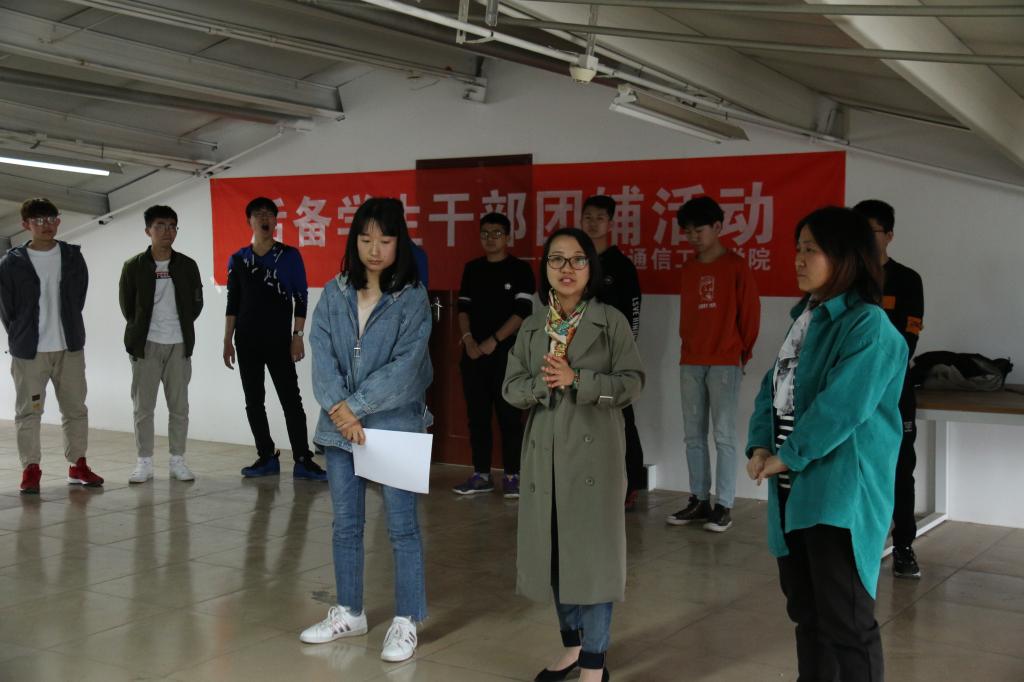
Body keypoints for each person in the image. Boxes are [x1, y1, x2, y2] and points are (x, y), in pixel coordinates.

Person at [745, 206, 906, 681]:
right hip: (793, 488)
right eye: (798, 248)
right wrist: (760, 445)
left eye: (811, 249)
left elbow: (841, 408)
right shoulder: (807, 317)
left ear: (845, 256)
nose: (798, 259)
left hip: (838, 495)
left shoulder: (868, 325)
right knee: (808, 615)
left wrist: (787, 456)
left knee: (847, 623)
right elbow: (772, 388)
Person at [503, 228, 644, 682]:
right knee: (556, 556)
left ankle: (594, 665)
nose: (567, 269)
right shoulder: (532, 325)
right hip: (545, 457)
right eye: (557, 259)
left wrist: (578, 379)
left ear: (591, 268)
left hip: (594, 457)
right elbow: (511, 387)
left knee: (594, 561)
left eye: (577, 259)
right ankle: (573, 647)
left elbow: (632, 382)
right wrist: (541, 385)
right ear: (544, 267)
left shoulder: (610, 321)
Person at [302, 197, 432, 663]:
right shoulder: (334, 293)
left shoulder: (412, 297)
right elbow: (321, 355)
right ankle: (349, 611)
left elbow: (407, 367)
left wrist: (352, 408)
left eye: (385, 240)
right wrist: (341, 411)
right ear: (354, 242)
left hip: (395, 425)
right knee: (345, 524)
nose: (375, 250)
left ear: (400, 243)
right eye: (365, 239)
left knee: (402, 527)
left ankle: (406, 620)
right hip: (340, 429)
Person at [667, 196, 760, 532]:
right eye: (688, 231)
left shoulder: (735, 266)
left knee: (723, 435)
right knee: (693, 435)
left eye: (699, 230)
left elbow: (750, 314)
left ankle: (724, 504)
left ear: (718, 227)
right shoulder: (689, 268)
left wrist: (741, 354)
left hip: (724, 361)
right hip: (691, 360)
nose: (693, 237)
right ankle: (698, 499)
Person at [0, 198, 101, 493]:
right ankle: (31, 469)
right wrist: (20, 335)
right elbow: (7, 309)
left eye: (51, 219)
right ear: (25, 225)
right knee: (28, 412)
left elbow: (78, 297)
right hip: (30, 351)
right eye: (38, 220)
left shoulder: (72, 257)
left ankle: (78, 464)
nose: (46, 225)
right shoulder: (11, 263)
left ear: (58, 221)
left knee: (75, 409)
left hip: (69, 347)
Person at [223, 197, 326, 481]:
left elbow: (301, 297)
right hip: (246, 340)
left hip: (280, 341)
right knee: (254, 400)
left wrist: (298, 336)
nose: (264, 218)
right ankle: (266, 457)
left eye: (269, 214)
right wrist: (227, 340)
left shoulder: (289, 256)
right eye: (258, 214)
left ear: (276, 220)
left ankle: (303, 459)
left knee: (291, 400)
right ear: (250, 221)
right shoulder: (238, 259)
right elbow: (232, 302)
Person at [854, 199, 925, 580]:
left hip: (894, 390)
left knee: (900, 468)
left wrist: (883, 371)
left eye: (872, 231)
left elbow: (909, 337)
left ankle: (903, 546)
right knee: (856, 467)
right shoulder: (848, 278)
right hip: (854, 390)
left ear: (889, 235)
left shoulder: (907, 280)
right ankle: (858, 542)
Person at [451, 212, 535, 498]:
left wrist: (494, 341)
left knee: (509, 416)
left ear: (508, 237)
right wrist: (468, 340)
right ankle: (481, 474)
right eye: (485, 233)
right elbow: (462, 308)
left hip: (507, 356)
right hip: (473, 355)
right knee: (477, 417)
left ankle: (513, 475)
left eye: (497, 233)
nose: (490, 239)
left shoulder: (520, 270)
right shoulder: (472, 268)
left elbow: (523, 312)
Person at [118, 205, 203, 484]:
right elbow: (127, 307)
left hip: (179, 344)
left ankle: (178, 461)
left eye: (172, 226)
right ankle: (144, 462)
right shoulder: (133, 266)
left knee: (179, 407)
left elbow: (196, 304)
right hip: (146, 345)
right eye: (160, 226)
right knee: (143, 407)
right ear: (148, 231)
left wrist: (180, 325)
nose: (167, 231)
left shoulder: (187, 265)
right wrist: (142, 330)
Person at [581, 194, 645, 511]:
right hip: (580, 359)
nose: (593, 223)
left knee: (621, 418)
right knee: (584, 420)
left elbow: (633, 314)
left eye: (600, 218)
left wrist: (623, 356)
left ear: (610, 222)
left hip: (613, 357)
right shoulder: (576, 261)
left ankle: (631, 483)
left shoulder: (621, 266)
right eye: (588, 217)